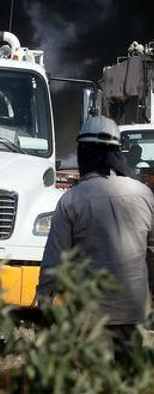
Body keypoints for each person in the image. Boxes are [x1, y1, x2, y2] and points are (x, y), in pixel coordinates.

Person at [39, 116, 153, 361]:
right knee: (128, 378)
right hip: (133, 310)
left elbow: (54, 262)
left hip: (90, 314)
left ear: (83, 153)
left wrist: (44, 304)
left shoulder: (72, 200)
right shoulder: (144, 195)